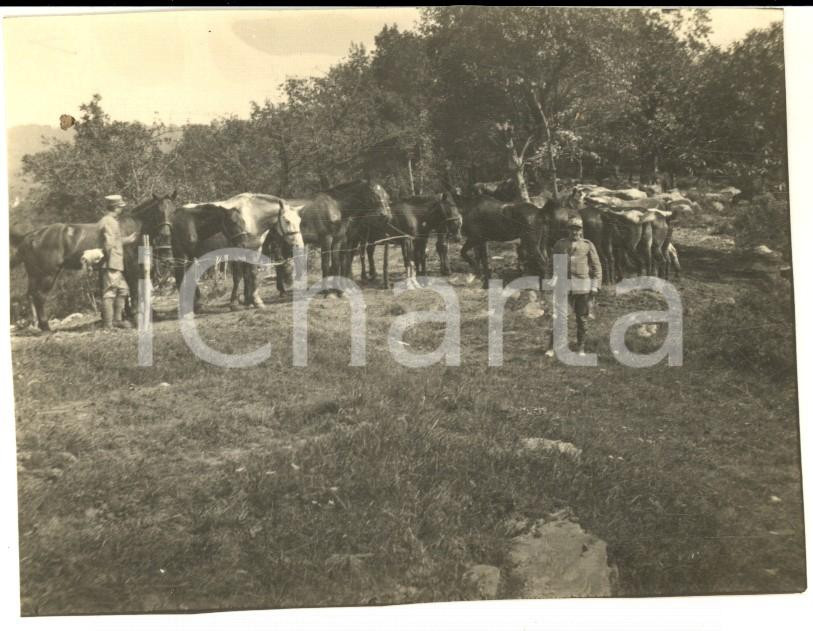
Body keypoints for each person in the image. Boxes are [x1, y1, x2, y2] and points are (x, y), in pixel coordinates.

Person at [545, 215, 602, 356]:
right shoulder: (560, 244)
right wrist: (549, 279)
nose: (574, 232)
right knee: (559, 317)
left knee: (582, 319)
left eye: (577, 229)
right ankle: (552, 347)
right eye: (572, 229)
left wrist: (595, 286)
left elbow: (597, 267)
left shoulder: (587, 245)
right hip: (563, 286)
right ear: (567, 230)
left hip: (583, 287)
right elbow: (551, 264)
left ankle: (580, 348)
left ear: (581, 230)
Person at [98, 194, 137, 330]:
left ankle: (117, 320)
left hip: (115, 262)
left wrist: (127, 239)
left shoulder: (110, 220)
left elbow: (114, 241)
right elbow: (109, 244)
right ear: (115, 208)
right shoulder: (109, 221)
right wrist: (108, 261)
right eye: (120, 207)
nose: (121, 210)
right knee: (110, 292)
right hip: (112, 263)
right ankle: (108, 324)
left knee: (123, 290)